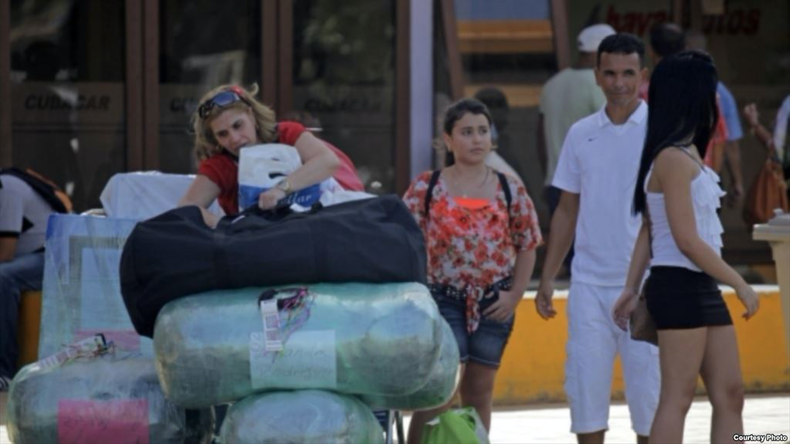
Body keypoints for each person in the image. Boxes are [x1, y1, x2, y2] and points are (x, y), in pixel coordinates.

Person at [612, 50, 759, 443]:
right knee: (677, 398)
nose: (714, 98)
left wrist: (629, 288)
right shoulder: (672, 158)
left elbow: (649, 227)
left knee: (731, 393)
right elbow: (686, 240)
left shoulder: (685, 150)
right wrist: (740, 284)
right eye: (709, 89)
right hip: (680, 285)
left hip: (698, 285)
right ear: (691, 94)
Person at [535, 33, 659, 444]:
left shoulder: (661, 133)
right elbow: (566, 209)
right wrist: (549, 276)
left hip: (646, 287)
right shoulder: (580, 133)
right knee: (586, 403)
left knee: (650, 404)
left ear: (642, 75)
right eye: (610, 73)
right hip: (588, 286)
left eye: (628, 73)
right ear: (596, 75)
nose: (619, 82)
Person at [403, 98, 542, 443]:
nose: (477, 139)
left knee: (480, 391)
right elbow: (404, 241)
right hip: (441, 300)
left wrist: (515, 295)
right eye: (466, 132)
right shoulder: (426, 187)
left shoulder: (510, 187)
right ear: (448, 140)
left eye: (483, 131)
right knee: (440, 390)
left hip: (495, 301)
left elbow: (528, 244)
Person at [179, 84, 363, 225]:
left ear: (251, 115)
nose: (234, 139)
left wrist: (280, 189)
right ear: (214, 139)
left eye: (237, 125)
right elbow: (187, 206)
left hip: (318, 229)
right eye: (222, 134)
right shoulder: (221, 165)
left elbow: (328, 161)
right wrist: (227, 227)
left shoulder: (286, 134)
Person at [538, 23, 615, 275]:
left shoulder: (552, 84)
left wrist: (547, 174)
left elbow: (540, 136)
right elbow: (610, 136)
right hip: (588, 187)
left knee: (566, 261)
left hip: (555, 183)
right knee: (591, 264)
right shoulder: (598, 86)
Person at [0, 170, 63, 390]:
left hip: (52, 256)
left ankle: (3, 372)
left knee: (3, 278)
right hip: (26, 258)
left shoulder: (7, 188)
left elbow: (5, 252)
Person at [686, 30, 746, 207]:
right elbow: (730, 143)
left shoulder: (670, 91)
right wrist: (737, 182)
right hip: (707, 179)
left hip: (680, 178)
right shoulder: (722, 94)